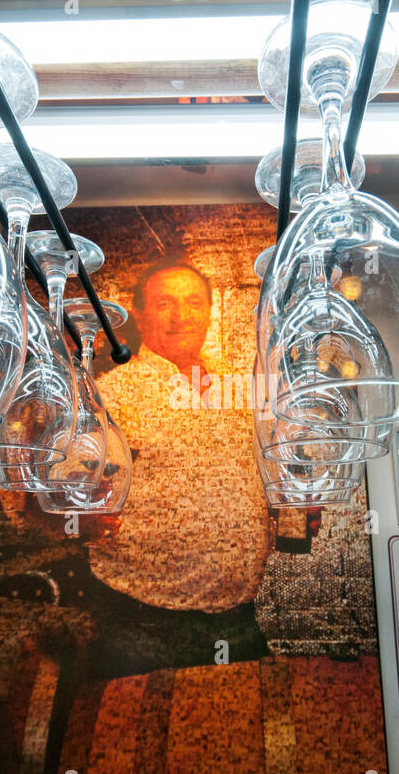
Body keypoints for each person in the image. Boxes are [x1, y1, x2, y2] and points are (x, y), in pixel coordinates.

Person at [87, 258, 271, 615]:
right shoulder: (114, 391)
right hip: (144, 614)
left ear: (209, 313)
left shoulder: (235, 386)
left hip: (242, 607)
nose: (181, 316)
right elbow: (74, 497)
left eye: (194, 304)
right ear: (139, 315)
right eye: (164, 304)